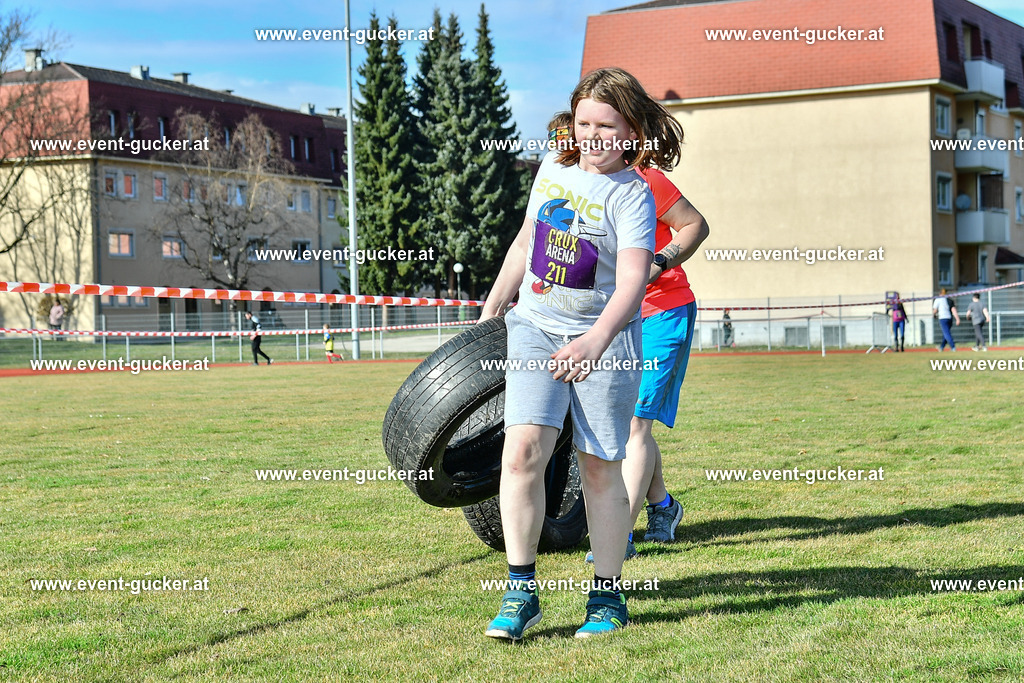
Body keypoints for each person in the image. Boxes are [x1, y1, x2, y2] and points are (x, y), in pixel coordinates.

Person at [478, 67, 683, 641]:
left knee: (599, 466)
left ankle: (607, 596)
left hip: (606, 341)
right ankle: (521, 591)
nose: (591, 136)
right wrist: (495, 303)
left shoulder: (634, 195)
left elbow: (633, 284)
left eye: (605, 126)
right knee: (520, 452)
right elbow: (526, 241)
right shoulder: (553, 166)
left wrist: (595, 341)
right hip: (535, 328)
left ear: (631, 131)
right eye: (583, 122)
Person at [545, 108, 709, 559]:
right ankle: (663, 506)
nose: (581, 142)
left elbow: (696, 225)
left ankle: (619, 538)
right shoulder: (572, 188)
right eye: (575, 133)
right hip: (609, 321)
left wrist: (659, 262)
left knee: (636, 423)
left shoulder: (646, 180)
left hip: (662, 313)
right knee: (630, 424)